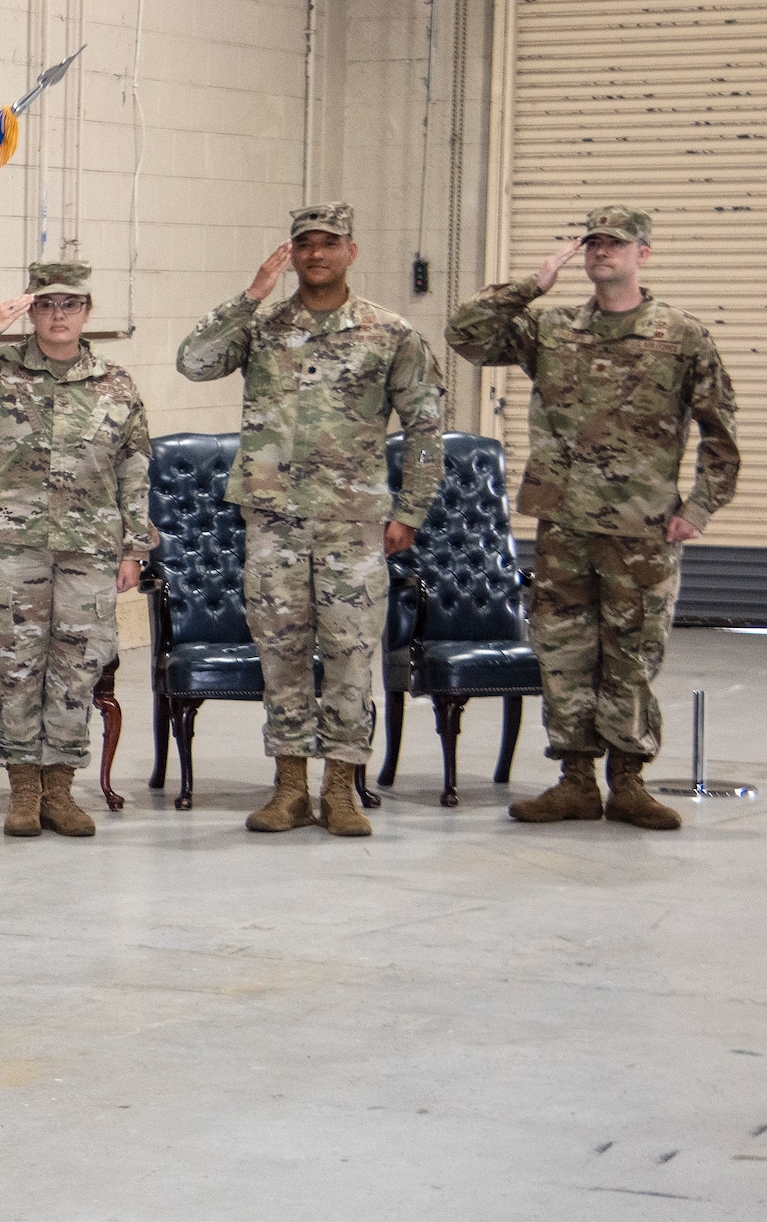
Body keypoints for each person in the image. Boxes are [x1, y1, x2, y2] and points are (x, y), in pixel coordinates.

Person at [446, 206, 740, 829]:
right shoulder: (553, 330)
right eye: (593, 243)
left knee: (634, 653)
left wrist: (700, 508)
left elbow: (720, 432)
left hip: (643, 525)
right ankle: (576, 779)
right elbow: (465, 333)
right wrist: (531, 284)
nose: (602, 252)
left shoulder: (681, 336)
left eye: (616, 243)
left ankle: (629, 780)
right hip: (564, 522)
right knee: (563, 651)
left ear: (643, 254)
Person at [177, 203, 444, 837]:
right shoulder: (262, 328)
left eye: (329, 244)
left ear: (352, 251)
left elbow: (427, 427)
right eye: (305, 245)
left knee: (352, 653)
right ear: (292, 254)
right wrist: (248, 297)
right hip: (273, 521)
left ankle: (342, 787)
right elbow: (193, 360)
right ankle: (290, 785)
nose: (316, 254)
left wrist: (411, 511)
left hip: (353, 523)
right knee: (281, 653)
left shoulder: (389, 333)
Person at [0, 261, 154, 837]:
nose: (59, 315)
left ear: (87, 311)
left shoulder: (115, 382)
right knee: (17, 665)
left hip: (90, 546)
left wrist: (134, 548)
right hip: (11, 543)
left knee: (77, 666)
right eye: (47, 305)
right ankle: (23, 790)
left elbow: (135, 464)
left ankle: (61, 790)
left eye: (70, 305)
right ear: (32, 311)